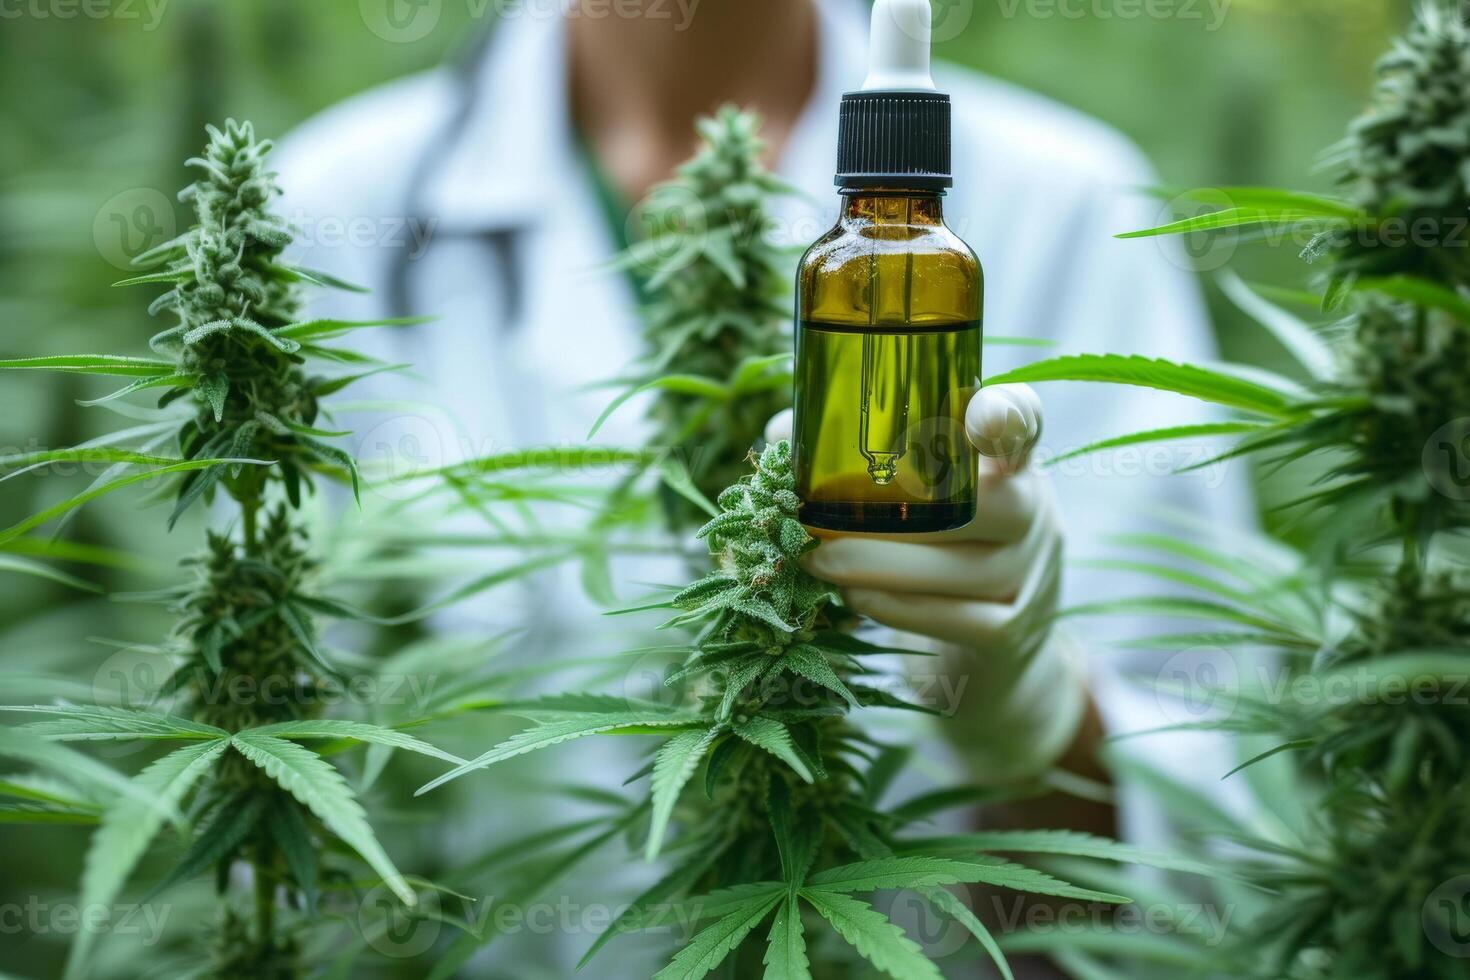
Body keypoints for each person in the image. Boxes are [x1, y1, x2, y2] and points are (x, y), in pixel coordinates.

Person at [276, 0, 1254, 970]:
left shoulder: (1070, 202)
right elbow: (303, 793)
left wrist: (1037, 724)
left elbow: (1232, 851)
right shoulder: (334, 206)